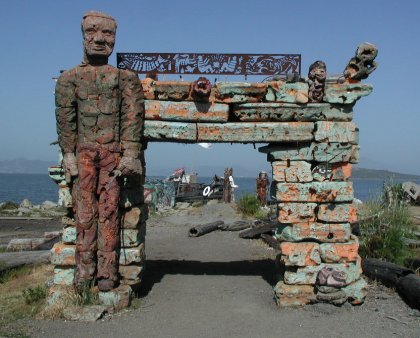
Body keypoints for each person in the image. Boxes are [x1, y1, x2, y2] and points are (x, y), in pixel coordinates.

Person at [55, 11, 145, 291]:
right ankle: (83, 274)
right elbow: (65, 119)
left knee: (109, 213)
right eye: (93, 31)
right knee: (84, 215)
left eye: (107, 34)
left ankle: (107, 274)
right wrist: (68, 155)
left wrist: (130, 154)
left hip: (112, 156)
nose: (99, 39)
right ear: (83, 35)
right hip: (83, 156)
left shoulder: (125, 79)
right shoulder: (69, 79)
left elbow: (133, 118)